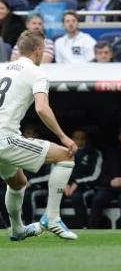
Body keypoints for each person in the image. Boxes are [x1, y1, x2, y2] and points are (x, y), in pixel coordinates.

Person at [0, 30, 79, 240]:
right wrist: (63, 136)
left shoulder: (1, 68)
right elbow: (42, 108)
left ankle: (17, 230)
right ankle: (51, 218)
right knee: (66, 155)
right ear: (38, 51)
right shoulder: (36, 73)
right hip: (5, 140)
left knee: (17, 182)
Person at [63, 128, 103, 228]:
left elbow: (95, 176)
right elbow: (56, 170)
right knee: (54, 195)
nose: (79, 141)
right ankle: (53, 227)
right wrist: (64, 183)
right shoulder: (64, 152)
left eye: (82, 138)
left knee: (77, 197)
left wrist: (77, 183)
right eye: (76, 138)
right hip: (65, 186)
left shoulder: (95, 154)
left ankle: (84, 227)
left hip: (86, 186)